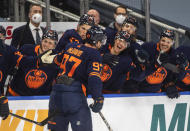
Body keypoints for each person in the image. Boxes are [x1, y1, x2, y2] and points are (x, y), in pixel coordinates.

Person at [41, 26, 106, 131]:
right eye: (101, 41)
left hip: (55, 95)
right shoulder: (94, 54)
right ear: (96, 41)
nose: (101, 44)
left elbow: (56, 61)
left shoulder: (70, 46)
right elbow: (94, 77)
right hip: (74, 96)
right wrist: (98, 97)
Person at [7, 30, 59, 96]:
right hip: (17, 94)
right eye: (45, 41)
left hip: (40, 99)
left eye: (50, 43)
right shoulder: (26, 49)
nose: (46, 45)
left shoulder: (56, 58)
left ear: (54, 46)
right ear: (41, 41)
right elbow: (14, 63)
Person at [139, 30, 186, 98]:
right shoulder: (148, 47)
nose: (165, 44)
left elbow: (171, 76)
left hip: (156, 93)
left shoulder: (174, 56)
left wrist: (169, 85)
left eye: (168, 42)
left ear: (172, 43)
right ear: (159, 39)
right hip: (139, 91)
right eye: (163, 40)